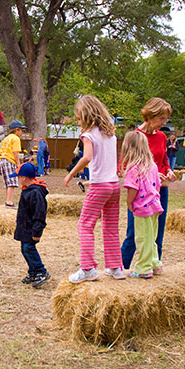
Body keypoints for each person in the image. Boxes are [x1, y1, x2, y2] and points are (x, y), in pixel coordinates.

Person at [63, 95, 124, 282]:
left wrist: (72, 173)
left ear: (88, 115)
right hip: (114, 186)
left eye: (79, 117)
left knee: (85, 225)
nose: (78, 121)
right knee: (111, 228)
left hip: (100, 186)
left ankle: (87, 268)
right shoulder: (110, 134)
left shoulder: (88, 135)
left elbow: (87, 157)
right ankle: (115, 267)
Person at [121, 97, 176, 271]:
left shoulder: (161, 137)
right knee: (134, 234)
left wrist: (168, 171)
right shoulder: (136, 137)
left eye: (166, 119)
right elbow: (123, 165)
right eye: (161, 118)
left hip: (159, 192)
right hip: (140, 195)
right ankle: (121, 269)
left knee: (156, 234)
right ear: (150, 116)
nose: (164, 123)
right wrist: (148, 174)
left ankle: (153, 267)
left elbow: (165, 160)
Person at [121, 131, 164, 279]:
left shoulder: (134, 168)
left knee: (142, 238)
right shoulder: (152, 165)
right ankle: (154, 262)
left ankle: (144, 268)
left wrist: (129, 202)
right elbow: (158, 185)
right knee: (151, 236)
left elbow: (133, 188)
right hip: (154, 205)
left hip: (143, 208)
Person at [12, 162, 50, 288]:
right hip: (25, 227)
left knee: (29, 249)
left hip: (31, 228)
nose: (17, 179)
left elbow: (40, 213)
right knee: (25, 249)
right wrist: (19, 219)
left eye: (18, 177)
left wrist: (37, 231)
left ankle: (41, 271)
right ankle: (33, 272)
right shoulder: (27, 190)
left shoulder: (36, 193)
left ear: (23, 178)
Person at [0, 120, 26, 208]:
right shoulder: (16, 138)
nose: (21, 132)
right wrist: (18, 164)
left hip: (3, 160)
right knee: (12, 182)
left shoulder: (6, 138)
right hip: (10, 160)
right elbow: (15, 152)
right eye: (21, 130)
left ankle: (8, 200)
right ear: (17, 130)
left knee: (8, 182)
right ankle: (9, 202)